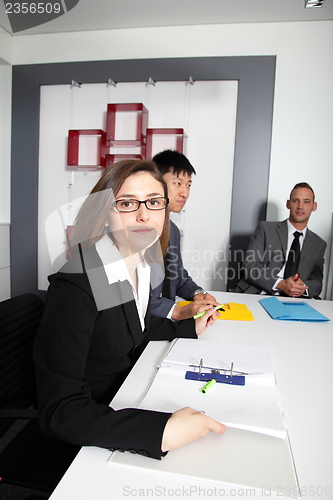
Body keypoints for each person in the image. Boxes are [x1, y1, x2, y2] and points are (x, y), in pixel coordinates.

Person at [33, 159, 225, 467]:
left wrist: (190, 328)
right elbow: (61, 411)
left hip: (126, 391)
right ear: (104, 214)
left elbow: (133, 326)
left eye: (153, 201)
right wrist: (160, 431)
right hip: (89, 433)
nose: (143, 214)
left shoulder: (140, 265)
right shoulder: (79, 284)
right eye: (126, 203)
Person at [151, 149, 218, 320]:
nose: (185, 193)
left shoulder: (172, 230)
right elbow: (138, 298)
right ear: (155, 181)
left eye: (188, 185)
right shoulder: (138, 229)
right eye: (177, 183)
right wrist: (177, 311)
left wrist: (198, 293)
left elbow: (178, 277)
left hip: (166, 322)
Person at [235, 182, 326, 298]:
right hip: (260, 294)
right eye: (295, 201)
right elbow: (250, 266)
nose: (300, 206)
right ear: (288, 204)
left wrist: (301, 288)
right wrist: (280, 284)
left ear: (314, 206)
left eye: (306, 202)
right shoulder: (265, 229)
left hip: (296, 300)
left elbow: (317, 282)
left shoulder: (319, 244)